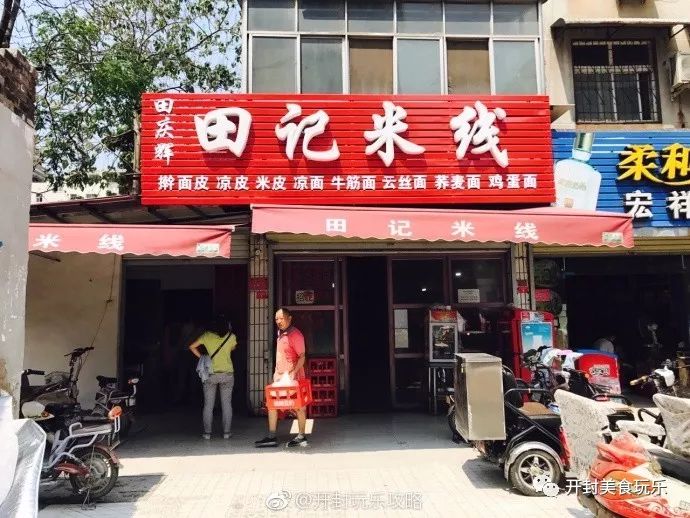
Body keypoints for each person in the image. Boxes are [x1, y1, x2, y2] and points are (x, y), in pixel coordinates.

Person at [255, 307, 308, 448]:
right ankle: (271, 436)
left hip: (293, 378)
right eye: (276, 319)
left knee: (299, 407)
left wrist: (293, 372)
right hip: (280, 378)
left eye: (281, 318)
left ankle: (301, 436)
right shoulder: (280, 333)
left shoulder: (295, 335)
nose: (278, 321)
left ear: (289, 318)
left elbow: (302, 356)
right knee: (272, 405)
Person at [189, 315, 237, 440]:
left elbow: (192, 347)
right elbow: (233, 348)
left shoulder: (206, 336)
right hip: (227, 374)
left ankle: (207, 433)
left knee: (208, 405)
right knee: (226, 404)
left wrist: (202, 358)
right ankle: (226, 433)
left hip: (210, 374)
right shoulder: (231, 337)